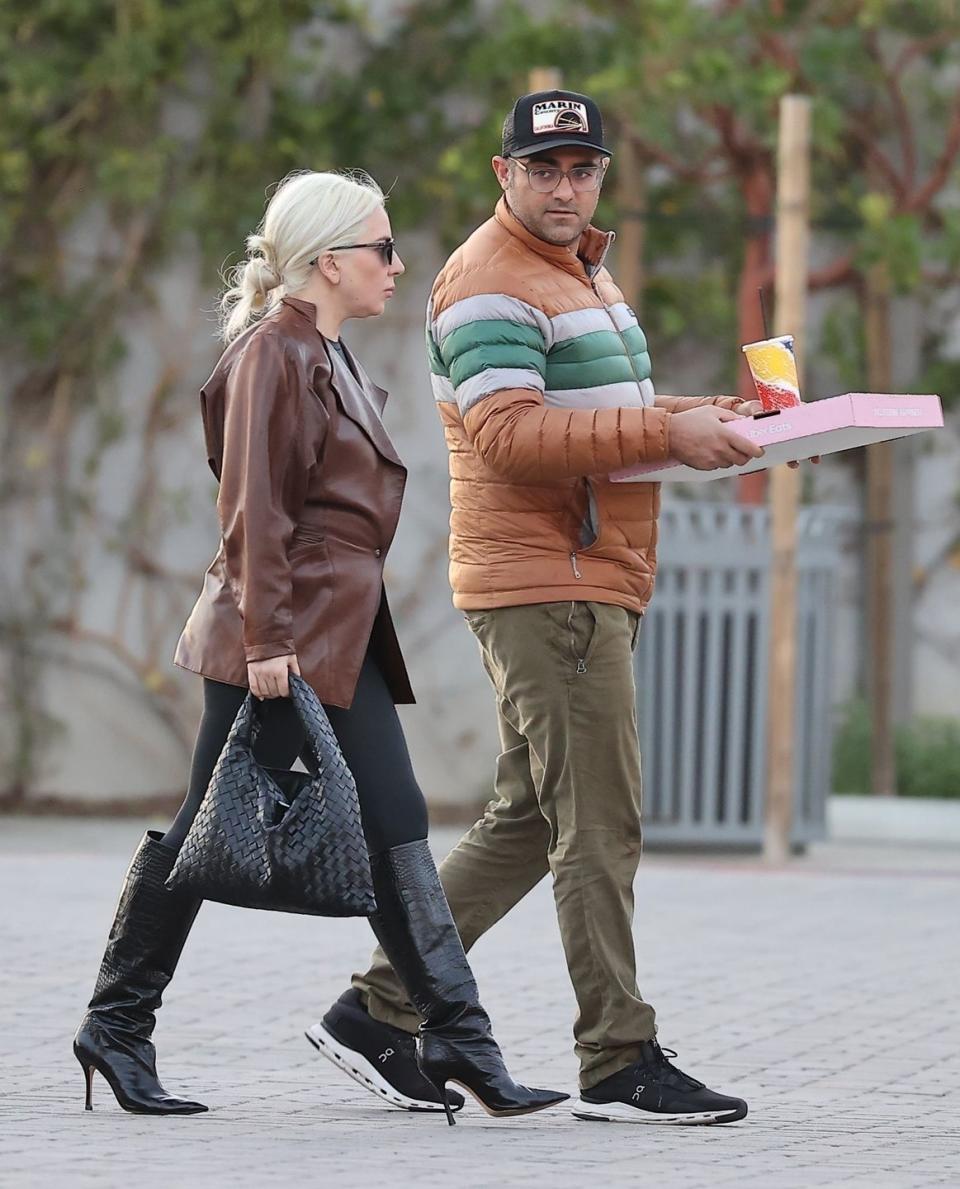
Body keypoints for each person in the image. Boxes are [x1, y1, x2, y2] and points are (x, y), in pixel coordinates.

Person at [307, 92, 766, 1125]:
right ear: (503, 172)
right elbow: (510, 435)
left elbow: (595, 414)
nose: (566, 186)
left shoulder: (576, 272)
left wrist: (703, 416)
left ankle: (380, 1006)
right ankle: (618, 1056)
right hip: (549, 582)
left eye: (583, 167)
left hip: (584, 572)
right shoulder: (490, 282)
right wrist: (668, 432)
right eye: (545, 167)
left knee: (526, 820)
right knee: (599, 823)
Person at [72, 169, 568, 1125]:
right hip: (281, 638)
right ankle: (120, 1023)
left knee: (387, 818)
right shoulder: (276, 353)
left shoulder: (324, 352)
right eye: (382, 248)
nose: (397, 264)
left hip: (331, 635)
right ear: (330, 260)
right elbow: (253, 506)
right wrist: (267, 642)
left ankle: (458, 1038)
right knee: (206, 833)